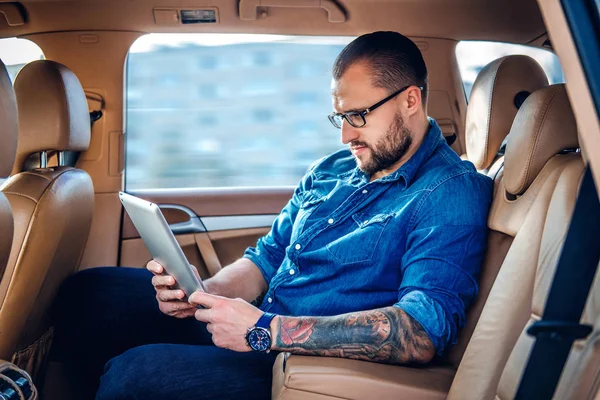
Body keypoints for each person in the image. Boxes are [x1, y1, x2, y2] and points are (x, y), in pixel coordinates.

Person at [50, 31, 493, 400]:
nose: (345, 135)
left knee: (134, 377)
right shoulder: (332, 169)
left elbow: (423, 330)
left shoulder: (449, 192)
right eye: (339, 116)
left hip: (300, 364)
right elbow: (268, 255)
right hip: (256, 325)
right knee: (90, 294)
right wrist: (205, 292)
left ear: (411, 100)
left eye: (358, 115)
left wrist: (266, 330)